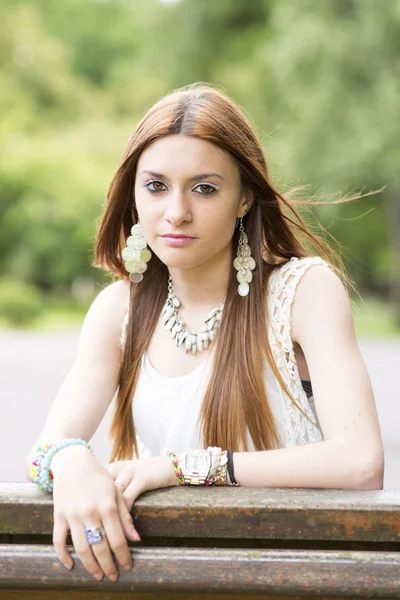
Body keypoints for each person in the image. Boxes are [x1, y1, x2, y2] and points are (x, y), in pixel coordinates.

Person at [26, 83, 384, 584]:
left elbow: (360, 461)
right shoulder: (117, 311)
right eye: (155, 186)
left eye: (204, 188)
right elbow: (47, 447)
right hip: (167, 576)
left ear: (244, 198)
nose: (176, 212)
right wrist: (71, 462)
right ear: (132, 193)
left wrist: (182, 468)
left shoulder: (304, 293)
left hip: (297, 577)